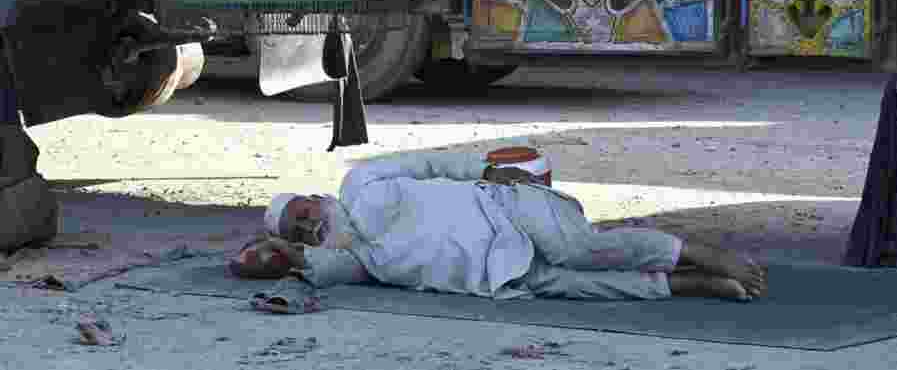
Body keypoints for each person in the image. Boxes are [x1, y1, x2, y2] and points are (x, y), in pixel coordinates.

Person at [234, 150, 766, 303]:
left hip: (506, 207)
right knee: (578, 286)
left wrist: (488, 170)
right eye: (297, 230)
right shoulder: (354, 260)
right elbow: (307, 268)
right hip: (495, 272)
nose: (307, 226)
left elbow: (432, 164)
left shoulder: (360, 185)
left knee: (577, 250)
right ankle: (687, 283)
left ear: (311, 198)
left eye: (301, 214)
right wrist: (276, 252)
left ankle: (700, 252)